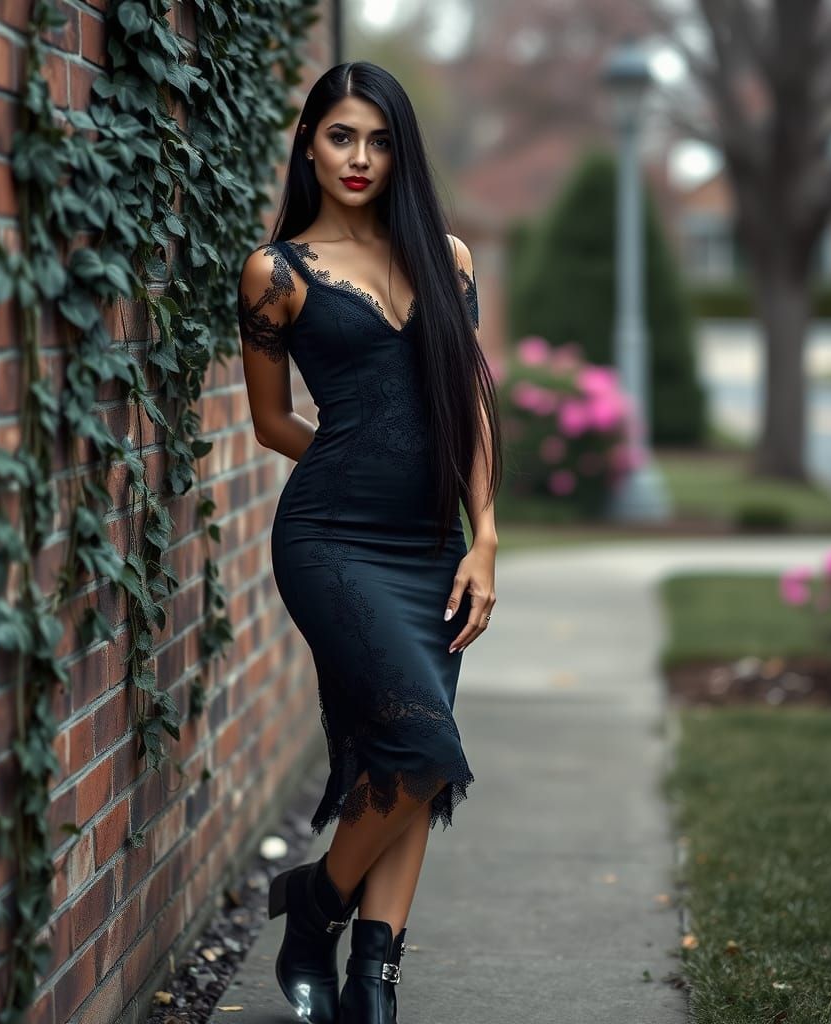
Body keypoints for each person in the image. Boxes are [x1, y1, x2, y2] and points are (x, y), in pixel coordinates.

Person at [235, 60, 502, 1024]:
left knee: (409, 762)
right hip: (331, 539)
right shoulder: (277, 273)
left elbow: (469, 403)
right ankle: (314, 910)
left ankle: (372, 977)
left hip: (434, 545)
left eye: (380, 140)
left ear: (401, 152)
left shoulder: (447, 258)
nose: (360, 157)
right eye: (342, 136)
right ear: (309, 142)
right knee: (424, 741)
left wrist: (485, 539)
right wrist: (359, 456)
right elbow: (272, 424)